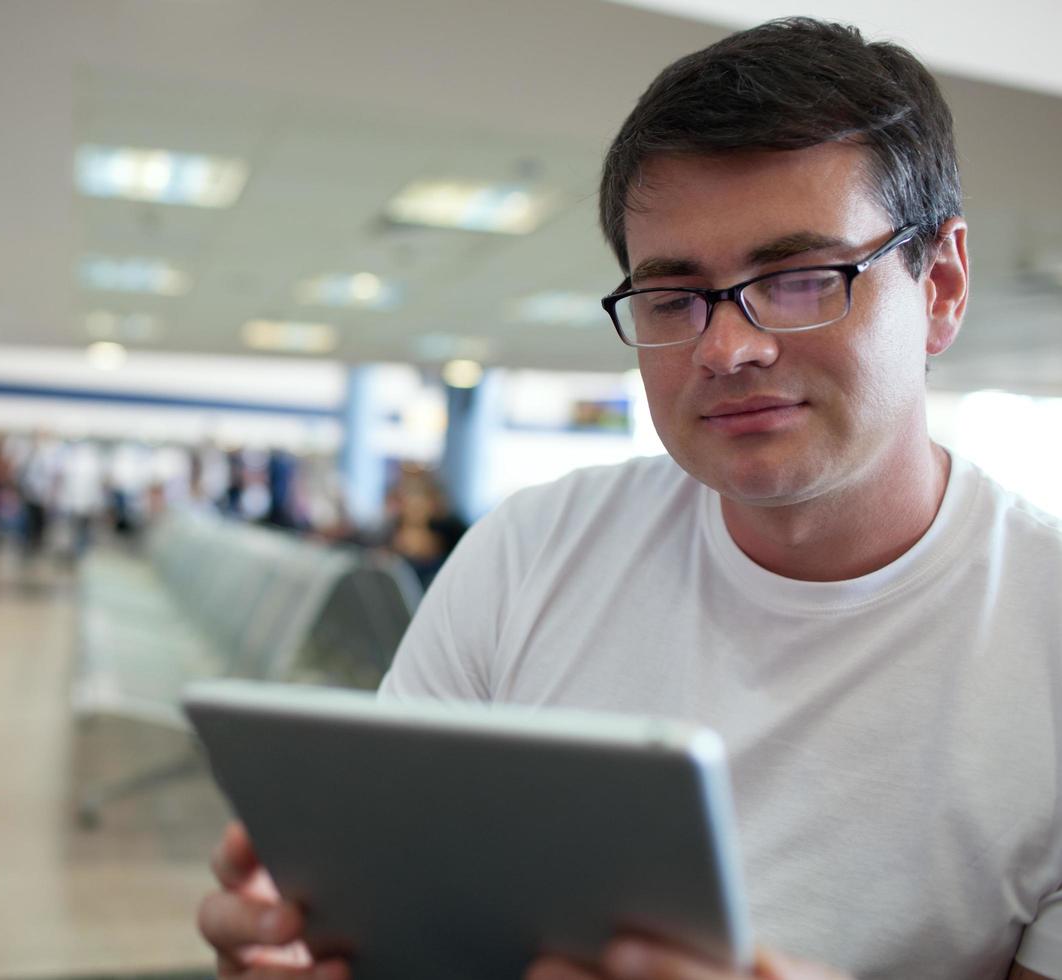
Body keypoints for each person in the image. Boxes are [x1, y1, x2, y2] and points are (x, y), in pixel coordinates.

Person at [196, 17, 1062, 980]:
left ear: (940, 285)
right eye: (672, 297)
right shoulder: (527, 555)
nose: (728, 349)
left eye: (801, 279)